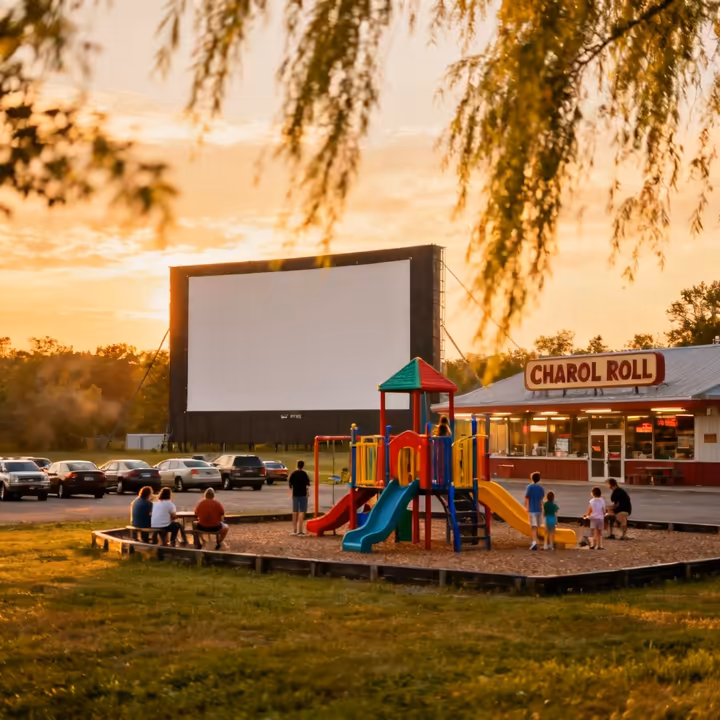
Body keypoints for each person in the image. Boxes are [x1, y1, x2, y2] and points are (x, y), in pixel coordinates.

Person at [288, 460, 310, 536]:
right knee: (301, 512)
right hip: (303, 494)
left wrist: (291, 492)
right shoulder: (304, 474)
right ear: (303, 466)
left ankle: (294, 530)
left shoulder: (294, 474)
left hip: (295, 494)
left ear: (297, 465)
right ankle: (300, 530)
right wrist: (307, 492)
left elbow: (290, 484)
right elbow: (307, 484)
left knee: (295, 511)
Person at [524, 472, 545, 551]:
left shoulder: (529, 487)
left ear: (532, 478)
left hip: (532, 509)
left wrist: (526, 507)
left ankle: (534, 542)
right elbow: (541, 498)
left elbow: (527, 497)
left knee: (533, 527)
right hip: (539, 509)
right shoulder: (540, 488)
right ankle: (537, 541)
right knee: (537, 526)